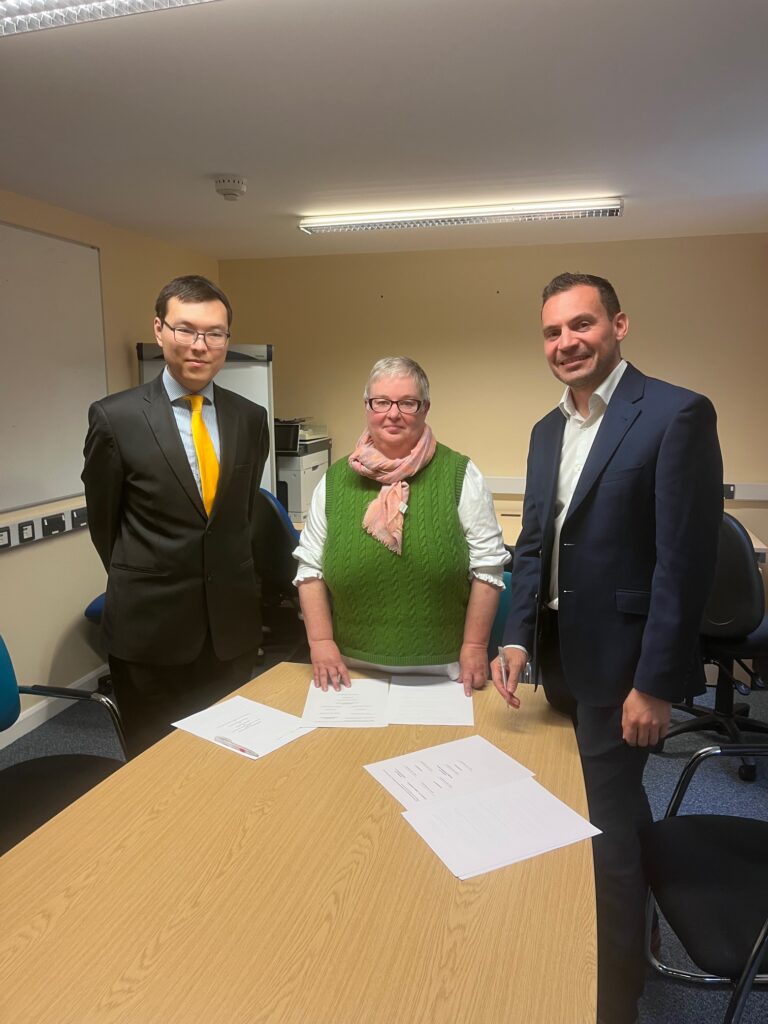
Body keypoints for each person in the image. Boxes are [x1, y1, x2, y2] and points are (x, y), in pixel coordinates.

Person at [491, 273, 723, 1024]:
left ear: (619, 325)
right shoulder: (545, 430)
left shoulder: (675, 414)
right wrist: (515, 638)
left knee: (606, 832)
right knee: (595, 808)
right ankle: (634, 934)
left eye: (581, 325)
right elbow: (531, 547)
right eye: (553, 332)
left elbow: (681, 565)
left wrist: (654, 686)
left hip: (623, 669)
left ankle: (614, 994)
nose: (566, 343)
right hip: (556, 659)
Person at [82, 275, 269, 756]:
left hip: (230, 629)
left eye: (215, 333)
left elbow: (242, 515)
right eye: (186, 330)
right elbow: (106, 525)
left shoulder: (249, 418)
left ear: (227, 339)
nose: (200, 345)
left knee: (230, 756)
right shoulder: (115, 418)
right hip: (149, 633)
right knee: (154, 766)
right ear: (160, 330)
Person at [294, 356, 510, 692]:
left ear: (425, 409)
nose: (392, 413)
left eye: (407, 403)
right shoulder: (334, 480)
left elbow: (488, 567)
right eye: (381, 402)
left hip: (446, 674)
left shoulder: (461, 475)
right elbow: (310, 568)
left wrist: (475, 647)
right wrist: (320, 642)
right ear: (367, 407)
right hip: (348, 674)